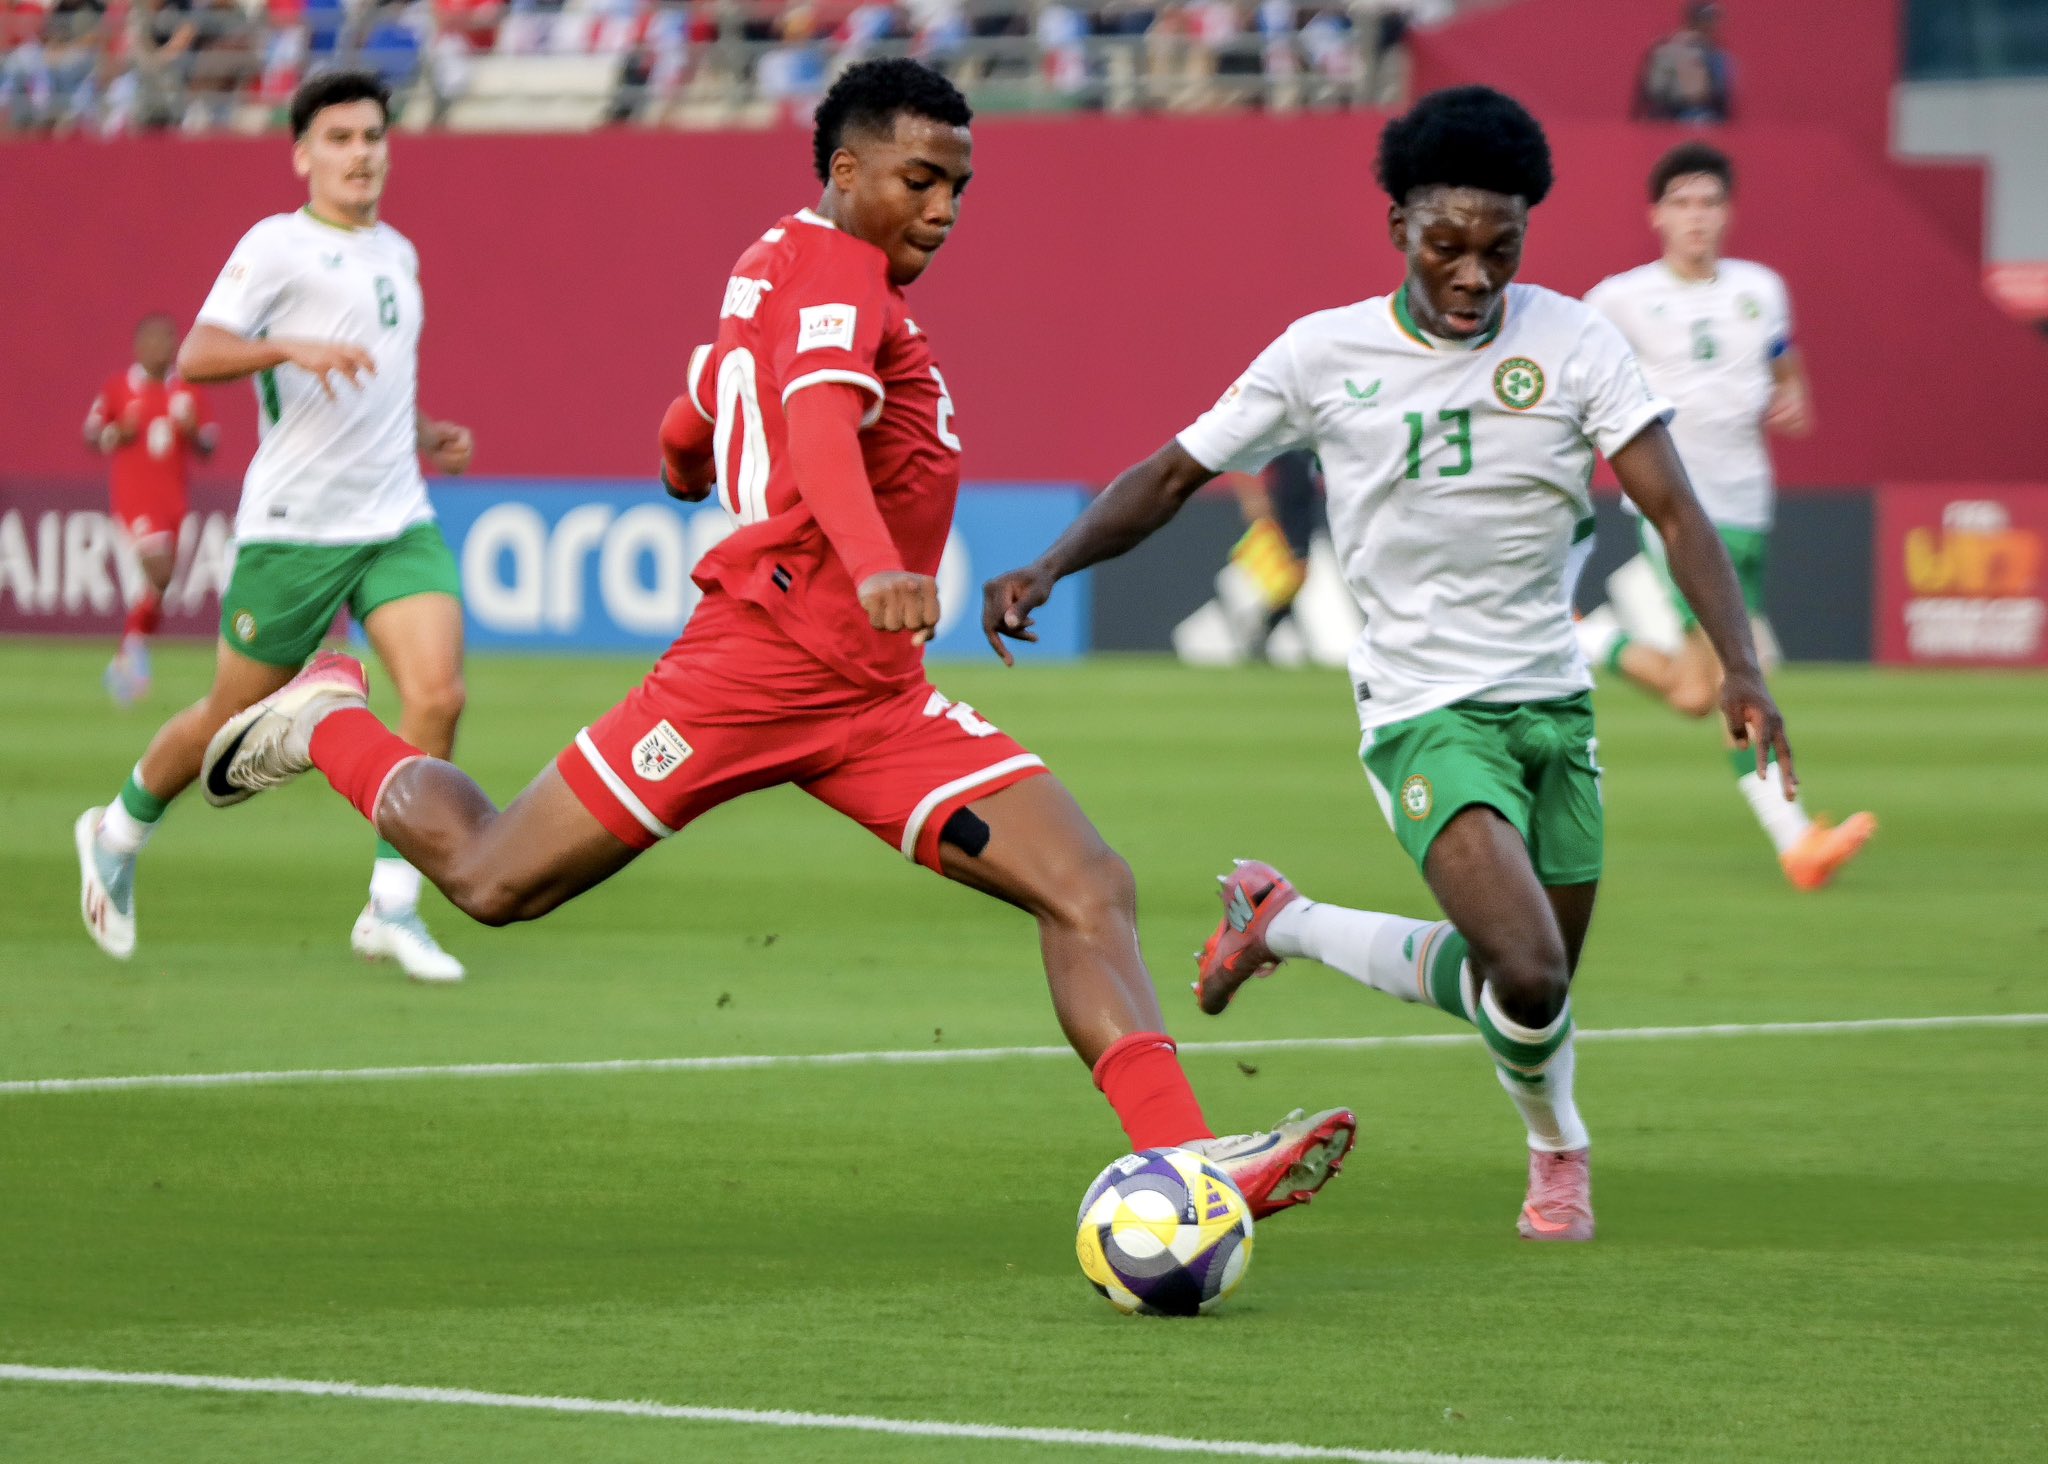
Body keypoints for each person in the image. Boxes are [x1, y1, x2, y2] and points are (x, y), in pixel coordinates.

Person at [196, 58, 1356, 1216]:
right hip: (759, 662)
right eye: (919, 180)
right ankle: (332, 723)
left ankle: (1185, 1163)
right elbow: (810, 426)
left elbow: (686, 426)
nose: (943, 209)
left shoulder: (772, 270)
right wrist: (873, 564)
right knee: (497, 881)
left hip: (871, 696)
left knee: (1086, 882)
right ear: (845, 172)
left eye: (958, 185)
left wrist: (689, 463)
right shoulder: (844, 281)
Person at [983, 85, 1797, 1242]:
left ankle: (1284, 921)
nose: (1472, 275)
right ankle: (1557, 1151)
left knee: (1527, 984)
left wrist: (1741, 666)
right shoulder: (1321, 354)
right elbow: (1172, 474)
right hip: (1421, 709)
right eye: (1445, 247)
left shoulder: (1574, 341)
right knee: (1522, 972)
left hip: (1550, 703)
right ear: (1397, 230)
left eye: (1498, 248)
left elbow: (1673, 509)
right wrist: (1051, 563)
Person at [75, 69, 476, 982]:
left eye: (372, 136)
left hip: (394, 519)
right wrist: (286, 345)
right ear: (303, 156)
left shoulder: (398, 256)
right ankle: (119, 830)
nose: (360, 154)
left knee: (438, 695)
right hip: (297, 526)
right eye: (339, 139)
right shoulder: (278, 246)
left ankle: (391, 907)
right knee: (232, 714)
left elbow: (377, 378)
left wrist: (424, 432)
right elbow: (200, 353)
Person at [1580, 142, 1874, 890]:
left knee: (1694, 690)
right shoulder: (1620, 298)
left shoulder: (1761, 289)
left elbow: (1782, 359)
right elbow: (1571, 374)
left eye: (1708, 202)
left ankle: (1582, 638)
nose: (1696, 217)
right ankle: (1796, 841)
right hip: (1678, 511)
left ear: (1727, 212)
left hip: (1750, 505)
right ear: (1656, 215)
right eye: (1681, 203)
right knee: (1746, 674)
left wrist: (1794, 394)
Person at [84, 313, 218, 706]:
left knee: (160, 584)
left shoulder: (187, 392)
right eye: (158, 342)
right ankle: (129, 656)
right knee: (158, 571)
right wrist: (115, 433)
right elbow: (92, 434)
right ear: (140, 347)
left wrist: (193, 431)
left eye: (171, 341)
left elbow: (209, 445)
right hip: (135, 499)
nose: (166, 350)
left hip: (174, 501)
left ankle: (131, 654)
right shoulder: (119, 388)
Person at [1632, 0, 1731, 125]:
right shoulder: (1712, 54)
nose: (1715, 25)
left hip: (1685, 116)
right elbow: (1721, 91)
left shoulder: (1716, 54)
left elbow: (1656, 89)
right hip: (1689, 117)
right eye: (1709, 20)